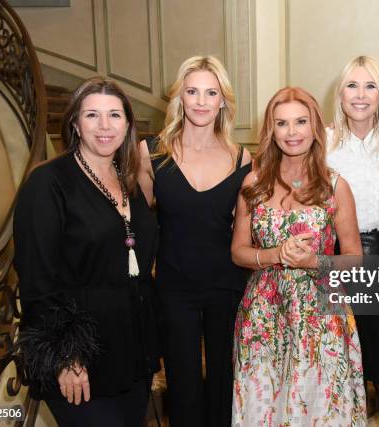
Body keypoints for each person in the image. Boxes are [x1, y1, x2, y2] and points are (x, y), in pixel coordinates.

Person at [14, 77, 161, 426]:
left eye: (115, 115)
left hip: (131, 353)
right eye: (92, 115)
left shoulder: (130, 181)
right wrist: (66, 355)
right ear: (75, 124)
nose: (105, 126)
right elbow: (37, 280)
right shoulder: (49, 183)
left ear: (128, 125)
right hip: (79, 359)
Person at [231, 87, 367, 426]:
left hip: (321, 316)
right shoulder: (254, 182)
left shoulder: (336, 186)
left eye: (300, 122)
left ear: (315, 127)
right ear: (271, 131)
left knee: (319, 408)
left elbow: (354, 257)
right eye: (282, 123)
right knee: (264, 406)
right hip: (263, 315)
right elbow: (238, 251)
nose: (292, 132)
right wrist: (276, 254)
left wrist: (313, 262)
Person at [138, 55, 251, 427]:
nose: (201, 101)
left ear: (223, 100)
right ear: (180, 98)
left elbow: (246, 229)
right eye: (192, 91)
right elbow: (137, 225)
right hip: (173, 288)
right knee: (183, 388)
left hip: (227, 285)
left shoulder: (241, 158)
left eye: (211, 92)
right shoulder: (152, 152)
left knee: (224, 383)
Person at [326, 55, 379, 427]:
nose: (360, 95)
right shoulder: (322, 141)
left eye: (370, 85)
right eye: (352, 85)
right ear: (341, 93)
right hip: (334, 264)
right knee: (340, 374)